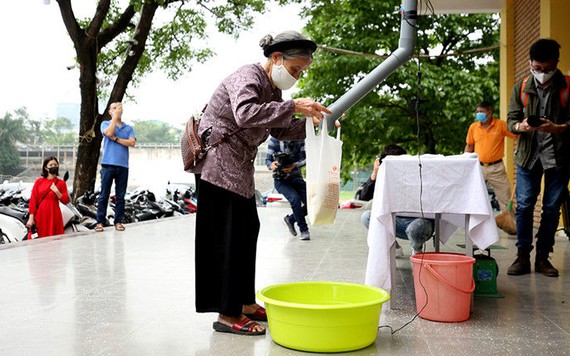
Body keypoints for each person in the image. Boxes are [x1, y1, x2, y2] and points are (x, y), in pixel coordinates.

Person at [188, 31, 331, 336]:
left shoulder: (272, 89)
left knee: (244, 233)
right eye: (295, 69)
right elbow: (244, 114)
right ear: (276, 58)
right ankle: (227, 315)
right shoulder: (248, 76)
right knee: (226, 241)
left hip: (237, 171)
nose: (296, 76)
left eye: (301, 72)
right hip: (216, 167)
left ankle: (244, 303)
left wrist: (310, 124)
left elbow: (279, 130)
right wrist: (294, 107)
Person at [506, 39, 570, 277]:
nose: (541, 74)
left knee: (552, 208)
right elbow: (510, 121)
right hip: (528, 156)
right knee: (524, 207)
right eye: (537, 68)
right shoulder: (520, 87)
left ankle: (543, 258)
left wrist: (558, 128)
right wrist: (520, 126)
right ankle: (522, 256)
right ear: (530, 63)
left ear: (556, 64)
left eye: (547, 69)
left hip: (559, 157)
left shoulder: (567, 87)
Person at [359, 144, 434, 255]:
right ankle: (393, 245)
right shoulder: (383, 176)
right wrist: (375, 173)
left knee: (419, 226)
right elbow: (364, 197)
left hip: (417, 223)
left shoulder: (416, 174)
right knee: (367, 217)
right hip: (393, 222)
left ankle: (416, 249)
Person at [465, 101, 517, 213]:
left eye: (481, 112)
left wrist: (520, 151)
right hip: (478, 168)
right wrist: (465, 164)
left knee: (505, 199)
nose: (478, 114)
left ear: (489, 112)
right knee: (473, 198)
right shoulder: (473, 127)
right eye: (477, 111)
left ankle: (512, 227)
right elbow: (469, 146)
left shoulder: (501, 125)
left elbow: (517, 135)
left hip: (496, 168)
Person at [95, 102, 136, 232]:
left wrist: (116, 139)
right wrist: (114, 118)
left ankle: (118, 221)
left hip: (123, 165)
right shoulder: (105, 124)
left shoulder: (128, 128)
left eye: (119, 108)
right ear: (109, 111)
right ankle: (100, 222)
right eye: (114, 108)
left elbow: (132, 142)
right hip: (108, 164)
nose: (117, 110)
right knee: (104, 195)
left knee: (120, 196)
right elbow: (108, 133)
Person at [266, 137, 310, 240]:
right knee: (295, 199)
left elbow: (305, 159)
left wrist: (294, 165)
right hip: (281, 180)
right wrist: (272, 165)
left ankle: (290, 219)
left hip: (296, 177)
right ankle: (304, 230)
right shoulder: (274, 140)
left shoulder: (299, 139)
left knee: (312, 203)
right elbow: (268, 161)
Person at [26, 156, 70, 238]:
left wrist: (57, 191)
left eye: (55, 164)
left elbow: (66, 200)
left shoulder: (61, 183)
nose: (54, 166)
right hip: (40, 216)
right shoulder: (39, 182)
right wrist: (31, 218)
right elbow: (33, 201)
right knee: (40, 241)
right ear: (46, 168)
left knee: (55, 241)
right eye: (51, 165)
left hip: (54, 215)